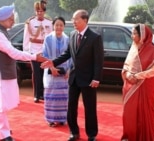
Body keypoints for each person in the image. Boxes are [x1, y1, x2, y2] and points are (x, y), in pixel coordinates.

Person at [41, 9, 104, 141]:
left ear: (85, 20)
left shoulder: (95, 37)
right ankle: (74, 132)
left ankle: (92, 134)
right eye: (73, 19)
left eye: (76, 19)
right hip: (74, 78)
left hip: (88, 79)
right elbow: (67, 54)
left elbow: (99, 60)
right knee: (71, 107)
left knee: (90, 108)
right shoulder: (73, 35)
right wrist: (53, 62)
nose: (73, 22)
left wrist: (96, 78)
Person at [0, 5, 47, 141]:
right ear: (3, 20)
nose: (13, 22)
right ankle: (5, 134)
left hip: (4, 72)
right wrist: (34, 57)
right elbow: (13, 52)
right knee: (1, 104)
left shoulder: (1, 31)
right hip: (0, 74)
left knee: (3, 101)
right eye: (11, 19)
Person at [121, 24, 154, 141]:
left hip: (146, 87)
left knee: (144, 113)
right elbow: (126, 66)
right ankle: (130, 137)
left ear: (143, 36)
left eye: (134, 33)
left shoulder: (152, 50)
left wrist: (136, 76)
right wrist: (127, 74)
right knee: (129, 112)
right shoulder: (133, 48)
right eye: (132, 33)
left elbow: (153, 71)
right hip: (130, 85)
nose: (132, 36)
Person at [42, 16, 70, 127]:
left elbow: (71, 56)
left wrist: (69, 70)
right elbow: (45, 55)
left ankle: (62, 118)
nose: (59, 27)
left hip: (64, 73)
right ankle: (51, 119)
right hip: (51, 73)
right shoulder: (48, 39)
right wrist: (51, 68)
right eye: (57, 25)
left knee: (63, 96)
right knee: (51, 96)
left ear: (64, 26)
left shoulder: (68, 39)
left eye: (61, 25)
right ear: (53, 26)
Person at [23, 0, 52, 103]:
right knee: (36, 73)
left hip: (45, 51)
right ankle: (36, 95)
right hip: (34, 50)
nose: (40, 13)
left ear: (44, 11)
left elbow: (51, 38)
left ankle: (43, 94)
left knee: (44, 73)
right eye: (38, 11)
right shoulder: (30, 22)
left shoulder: (49, 22)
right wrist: (26, 52)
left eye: (41, 11)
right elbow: (26, 37)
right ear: (35, 11)